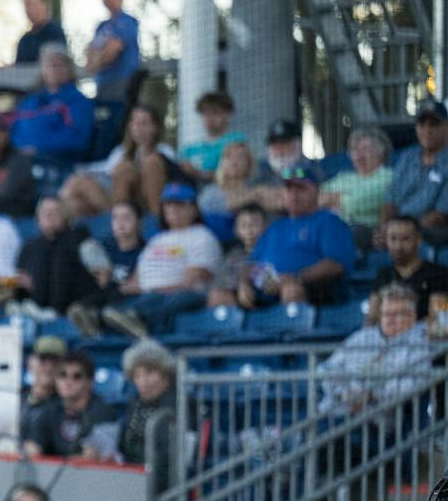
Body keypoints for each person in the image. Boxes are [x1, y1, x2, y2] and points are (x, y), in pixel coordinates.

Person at [98, 183, 221, 338]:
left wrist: (154, 291)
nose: (173, 209)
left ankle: (137, 322)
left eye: (180, 204)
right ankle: (110, 323)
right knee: (110, 305)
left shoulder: (202, 236)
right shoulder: (157, 239)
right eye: (168, 204)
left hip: (179, 296)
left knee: (179, 297)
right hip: (148, 296)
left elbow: (193, 282)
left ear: (193, 209)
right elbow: (136, 280)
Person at [240, 165, 356, 307]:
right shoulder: (275, 226)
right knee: (220, 296)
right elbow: (252, 263)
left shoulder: (329, 221)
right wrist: (244, 283)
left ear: (317, 191)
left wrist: (294, 278)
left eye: (300, 188)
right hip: (267, 290)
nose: (293, 194)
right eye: (289, 188)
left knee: (291, 290)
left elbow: (336, 265)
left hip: (313, 291)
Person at [318, 287, 432, 414]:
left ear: (412, 316)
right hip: (337, 411)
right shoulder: (361, 337)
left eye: (396, 314)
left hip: (379, 418)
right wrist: (342, 393)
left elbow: (414, 384)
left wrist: (371, 395)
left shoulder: (420, 342)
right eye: (386, 313)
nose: (390, 319)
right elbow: (326, 369)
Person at [379, 99, 448, 246]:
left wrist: (401, 231)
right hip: (398, 228)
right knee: (359, 234)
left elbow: (441, 216)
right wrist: (384, 228)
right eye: (422, 124)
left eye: (434, 124)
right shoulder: (407, 157)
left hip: (432, 231)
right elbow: (390, 202)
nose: (427, 130)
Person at [22, 350, 115, 458]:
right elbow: (34, 447)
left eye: (77, 376)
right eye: (62, 375)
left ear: (90, 382)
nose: (68, 381)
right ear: (56, 379)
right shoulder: (50, 411)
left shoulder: (104, 414)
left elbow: (94, 459)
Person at [12, 46, 95, 160]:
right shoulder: (29, 101)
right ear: (42, 70)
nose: (54, 69)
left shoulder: (79, 102)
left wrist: (38, 148)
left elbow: (77, 138)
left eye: (60, 64)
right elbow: (15, 131)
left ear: (70, 70)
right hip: (22, 160)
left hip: (60, 162)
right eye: (50, 65)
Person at [116, 339, 178, 485]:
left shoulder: (177, 403)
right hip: (134, 478)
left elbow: (168, 455)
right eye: (137, 375)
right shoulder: (135, 403)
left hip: (163, 483)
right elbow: (124, 443)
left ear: (165, 374)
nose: (143, 381)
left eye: (149, 373)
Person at [370, 215, 448, 317]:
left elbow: (438, 320)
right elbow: (372, 317)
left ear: (418, 240)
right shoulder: (383, 274)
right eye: (393, 238)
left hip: (422, 331)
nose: (398, 246)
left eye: (405, 239)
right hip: (387, 331)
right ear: (386, 240)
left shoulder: (439, 273)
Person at [320, 129, 393, 241]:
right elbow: (313, 198)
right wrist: (341, 198)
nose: (359, 155)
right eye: (354, 149)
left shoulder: (387, 176)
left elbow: (354, 203)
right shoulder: (344, 177)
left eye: (365, 149)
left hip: (362, 232)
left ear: (381, 152)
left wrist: (331, 199)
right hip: (329, 227)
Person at [84, 0, 141, 102]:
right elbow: (90, 52)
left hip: (122, 83)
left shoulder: (127, 21)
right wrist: (96, 59)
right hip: (103, 84)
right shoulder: (101, 26)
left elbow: (112, 51)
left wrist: (97, 61)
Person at [179, 91, 245, 176]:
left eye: (215, 113)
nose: (209, 118)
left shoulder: (236, 141)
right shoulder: (189, 148)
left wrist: (199, 173)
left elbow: (234, 175)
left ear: (228, 114)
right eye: (205, 114)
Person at [13, 0, 67, 64]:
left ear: (44, 5)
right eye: (26, 5)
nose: (28, 9)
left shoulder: (55, 32)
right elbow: (19, 69)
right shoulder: (24, 41)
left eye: (31, 4)